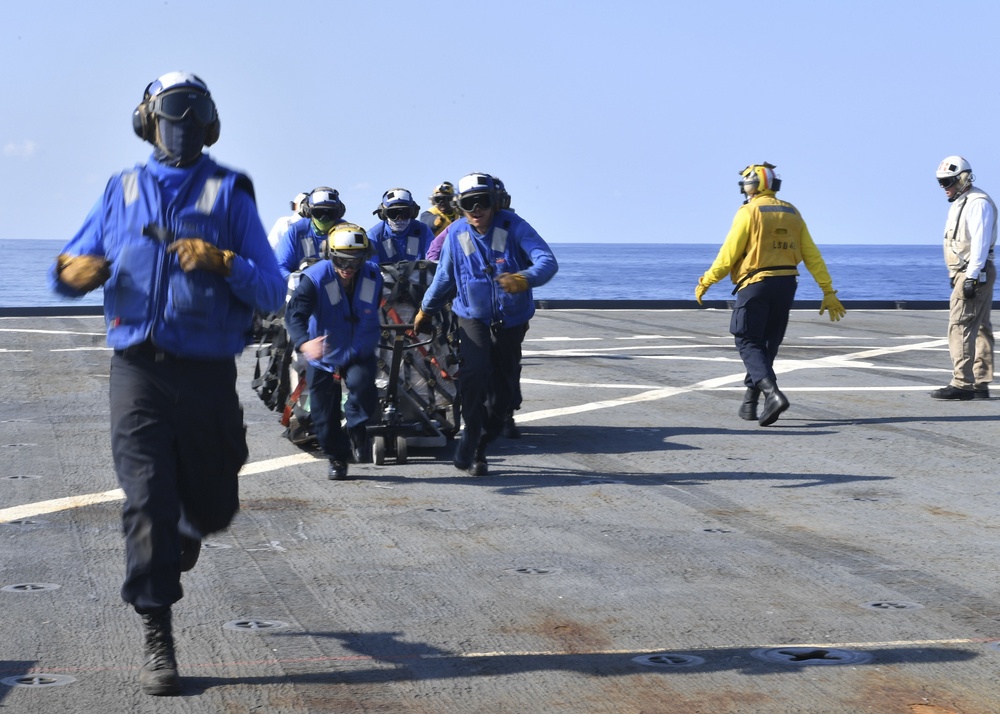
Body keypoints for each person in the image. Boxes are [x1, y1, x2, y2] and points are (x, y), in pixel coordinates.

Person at [48, 71, 285, 696]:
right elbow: (70, 265)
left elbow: (272, 288)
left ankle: (188, 529)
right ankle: (158, 629)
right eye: (167, 116)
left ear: (207, 125)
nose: (177, 129)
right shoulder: (120, 190)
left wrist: (222, 260)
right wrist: (78, 273)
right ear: (147, 121)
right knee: (146, 497)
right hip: (138, 372)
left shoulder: (231, 194)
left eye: (188, 117)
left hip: (207, 373)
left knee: (214, 502)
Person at [414, 172, 558, 475]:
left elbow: (547, 262)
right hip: (472, 318)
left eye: (483, 202)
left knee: (502, 398)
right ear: (460, 206)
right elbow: (444, 277)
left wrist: (523, 278)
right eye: (469, 204)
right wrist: (426, 310)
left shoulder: (513, 226)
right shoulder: (455, 233)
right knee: (473, 377)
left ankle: (486, 437)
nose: (476, 210)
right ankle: (473, 442)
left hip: (510, 321)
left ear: (495, 203)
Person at [695, 162, 845, 427]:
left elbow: (728, 254)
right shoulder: (792, 212)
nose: (745, 188)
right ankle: (750, 403)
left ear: (755, 184)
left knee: (747, 340)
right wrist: (828, 290)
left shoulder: (749, 212)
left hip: (756, 284)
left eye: (747, 183)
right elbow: (812, 255)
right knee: (767, 345)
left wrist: (707, 280)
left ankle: (772, 394)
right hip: (786, 285)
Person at [284, 223, 383, 480]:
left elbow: (371, 308)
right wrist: (305, 343)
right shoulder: (314, 279)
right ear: (330, 254)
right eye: (341, 261)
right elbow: (294, 316)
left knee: (364, 390)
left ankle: (356, 428)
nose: (348, 269)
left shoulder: (373, 275)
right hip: (323, 351)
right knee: (322, 416)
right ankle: (337, 458)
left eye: (355, 261)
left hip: (359, 347)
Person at [932, 156, 996, 400]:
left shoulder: (977, 203)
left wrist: (970, 277)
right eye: (940, 182)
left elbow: (979, 244)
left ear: (963, 178)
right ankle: (980, 382)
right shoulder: (962, 201)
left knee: (960, 325)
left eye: (947, 181)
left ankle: (962, 383)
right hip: (971, 271)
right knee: (980, 327)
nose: (944, 187)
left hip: (974, 271)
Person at [274, 186, 346, 280]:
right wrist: (295, 283)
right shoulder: (296, 231)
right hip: (301, 289)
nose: (324, 218)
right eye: (318, 213)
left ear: (338, 213)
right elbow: (280, 267)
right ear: (308, 212)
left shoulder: (346, 231)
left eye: (330, 213)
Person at [368, 188, 435, 264]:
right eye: (393, 213)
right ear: (383, 214)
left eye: (405, 213)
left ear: (413, 212)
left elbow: (433, 260)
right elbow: (372, 268)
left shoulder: (423, 230)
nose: (399, 219)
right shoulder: (374, 236)